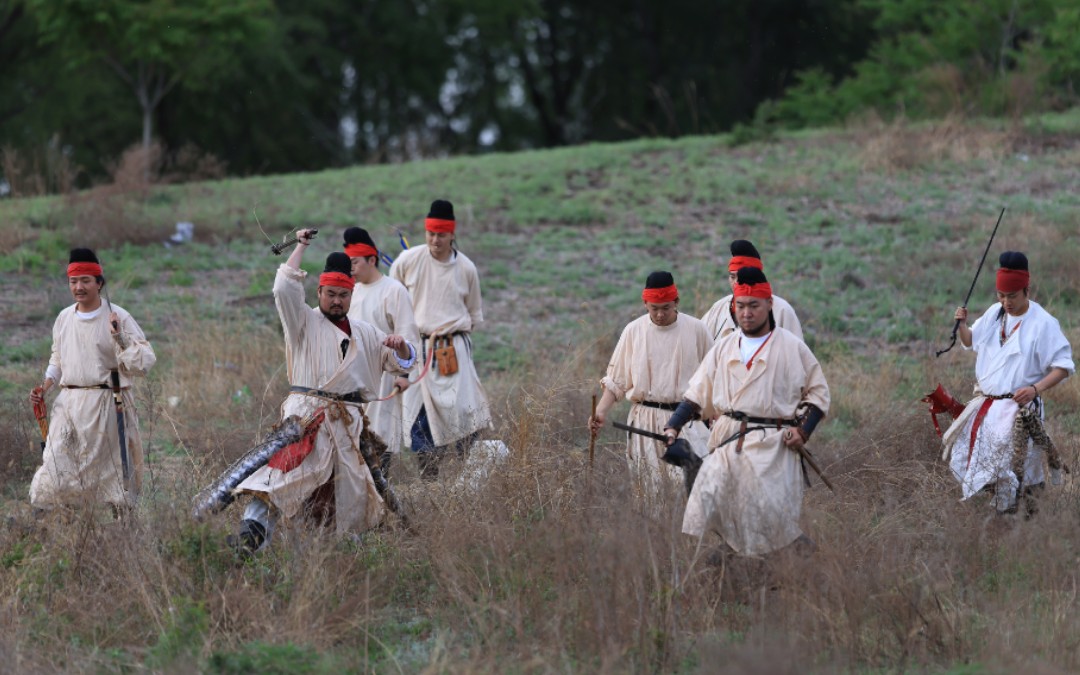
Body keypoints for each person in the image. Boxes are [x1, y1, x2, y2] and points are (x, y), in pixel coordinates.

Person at [232, 230, 416, 553]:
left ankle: (336, 557)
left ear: (351, 294)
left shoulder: (366, 333)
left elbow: (402, 363)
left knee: (346, 496)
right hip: (305, 422)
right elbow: (283, 287)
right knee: (280, 477)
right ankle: (252, 536)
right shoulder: (302, 322)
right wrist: (301, 246)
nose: (336, 301)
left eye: (343, 295)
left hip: (346, 429)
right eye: (330, 294)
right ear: (319, 291)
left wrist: (401, 348)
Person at [664, 266, 830, 556]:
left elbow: (817, 393)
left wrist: (803, 431)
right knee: (715, 508)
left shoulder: (792, 348)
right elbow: (697, 393)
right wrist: (673, 425)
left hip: (772, 444)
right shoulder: (724, 347)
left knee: (766, 517)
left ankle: (801, 559)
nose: (747, 313)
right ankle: (739, 568)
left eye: (754, 305)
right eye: (741, 306)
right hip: (727, 440)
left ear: (768, 305)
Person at [942, 251, 1074, 514]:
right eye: (1001, 296)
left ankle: (1027, 525)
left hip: (1020, 411)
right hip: (988, 409)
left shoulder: (1043, 323)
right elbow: (970, 342)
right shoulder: (994, 313)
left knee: (1022, 473)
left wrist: (1035, 388)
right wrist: (963, 325)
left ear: (1027, 289)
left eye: (1012, 296)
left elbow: (1064, 366)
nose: (1006, 302)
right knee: (985, 471)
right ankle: (995, 523)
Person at [28, 248, 156, 514]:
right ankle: (48, 525)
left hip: (108, 404)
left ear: (99, 283)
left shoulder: (117, 316)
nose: (79, 287)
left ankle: (121, 530)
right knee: (54, 463)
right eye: (74, 281)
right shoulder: (64, 317)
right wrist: (46, 386)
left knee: (112, 474)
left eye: (86, 280)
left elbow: (144, 361)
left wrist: (119, 337)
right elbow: (58, 359)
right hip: (69, 404)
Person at [389, 200, 491, 480]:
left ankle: (467, 479)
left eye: (441, 235)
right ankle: (430, 480)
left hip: (453, 350)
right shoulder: (408, 261)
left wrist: (451, 338)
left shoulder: (466, 268)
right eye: (431, 233)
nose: (435, 240)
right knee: (419, 421)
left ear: (452, 235)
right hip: (417, 350)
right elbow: (392, 298)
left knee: (464, 415)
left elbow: (473, 315)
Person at [588, 271, 713, 499]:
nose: (659, 314)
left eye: (665, 307)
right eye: (654, 308)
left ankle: (691, 535)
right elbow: (617, 380)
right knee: (650, 492)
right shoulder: (633, 331)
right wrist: (600, 412)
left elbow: (714, 378)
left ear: (676, 302)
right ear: (645, 303)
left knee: (694, 489)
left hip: (687, 419)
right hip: (645, 420)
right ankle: (654, 534)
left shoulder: (697, 330)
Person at [344, 227, 420, 478]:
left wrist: (405, 376)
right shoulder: (349, 292)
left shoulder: (394, 290)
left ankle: (379, 507)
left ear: (371, 260)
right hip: (352, 380)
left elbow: (408, 337)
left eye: (354, 262)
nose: (351, 268)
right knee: (351, 445)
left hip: (384, 378)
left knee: (379, 443)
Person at [700, 240, 802, 341]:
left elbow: (796, 353)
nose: (736, 282)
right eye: (732, 277)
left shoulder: (782, 310)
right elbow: (700, 342)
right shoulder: (719, 308)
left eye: (741, 276)